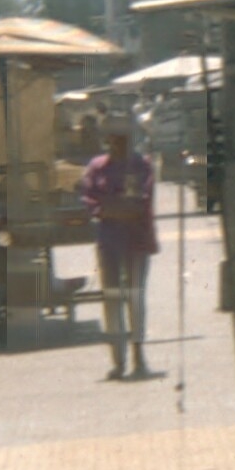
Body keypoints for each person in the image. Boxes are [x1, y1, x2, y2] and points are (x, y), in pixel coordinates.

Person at [80, 114, 158, 380]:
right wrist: (113, 208)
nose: (117, 143)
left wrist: (111, 207)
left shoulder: (142, 165)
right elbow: (90, 201)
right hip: (109, 244)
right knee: (112, 299)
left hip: (137, 241)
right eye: (113, 138)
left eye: (122, 138)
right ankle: (117, 361)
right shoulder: (97, 167)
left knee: (135, 298)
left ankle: (139, 356)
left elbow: (140, 201)